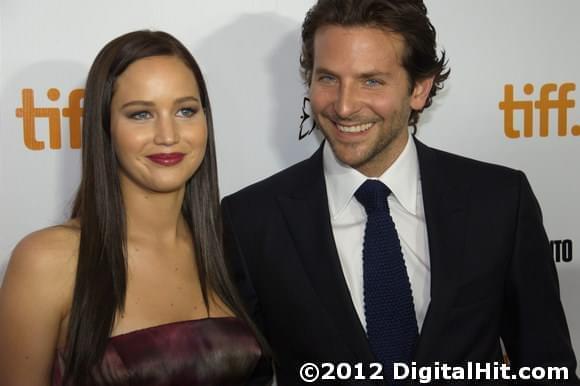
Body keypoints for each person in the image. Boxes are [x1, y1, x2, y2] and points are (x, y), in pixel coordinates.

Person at [221, 0, 579, 384]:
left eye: (371, 81)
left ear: (419, 90)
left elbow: (547, 366)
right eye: (327, 78)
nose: (343, 106)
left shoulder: (500, 201)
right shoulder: (250, 222)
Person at [0, 30, 271, 386]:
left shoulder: (228, 248)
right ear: (105, 127)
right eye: (141, 114)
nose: (168, 134)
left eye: (185, 110)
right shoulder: (48, 261)